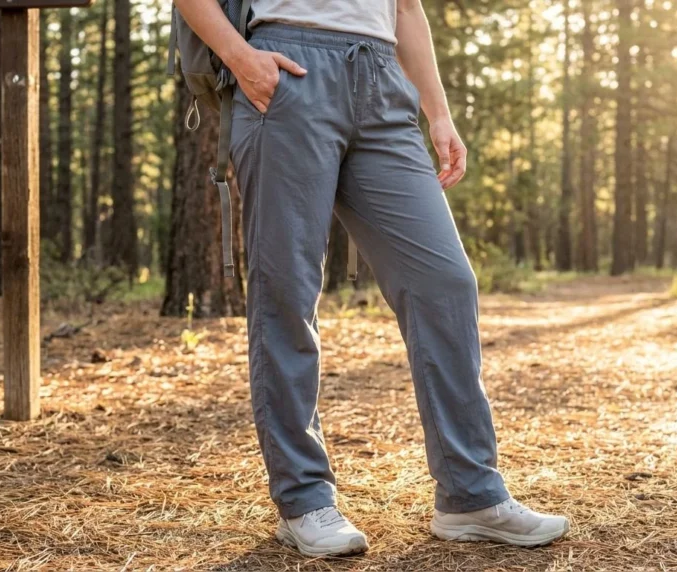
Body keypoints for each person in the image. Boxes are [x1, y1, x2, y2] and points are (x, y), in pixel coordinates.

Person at [174, 0, 569, 557]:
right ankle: (304, 499)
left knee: (445, 282)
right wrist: (242, 59)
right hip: (287, 68)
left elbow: (406, 8)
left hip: (382, 80)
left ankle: (469, 494)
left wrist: (438, 113)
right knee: (287, 293)